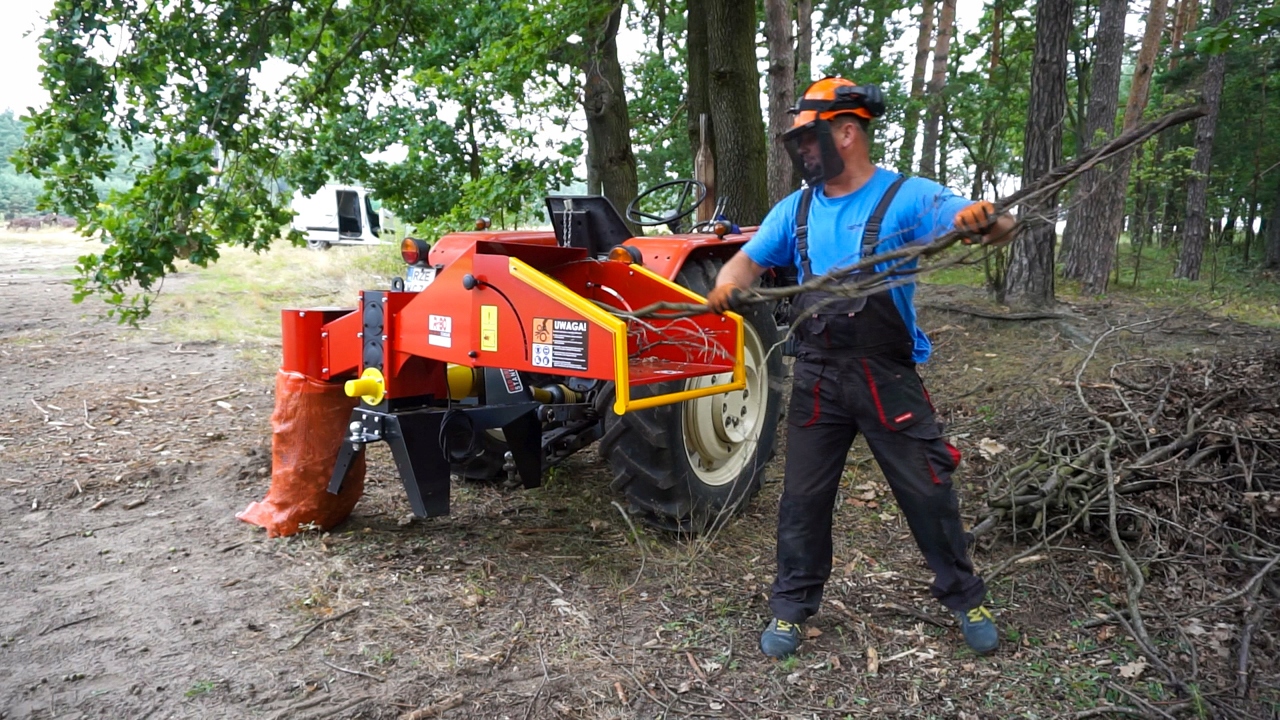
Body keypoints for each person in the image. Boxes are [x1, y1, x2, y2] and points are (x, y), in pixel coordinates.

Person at [705, 77, 1017, 659]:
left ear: (846, 132)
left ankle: (964, 595)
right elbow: (744, 262)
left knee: (928, 489)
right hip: (818, 378)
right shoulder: (794, 210)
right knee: (802, 497)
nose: (802, 153)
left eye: (809, 139)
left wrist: (986, 220)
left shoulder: (907, 197)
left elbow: (996, 227)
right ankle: (792, 608)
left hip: (885, 376)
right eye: (796, 143)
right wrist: (727, 286)